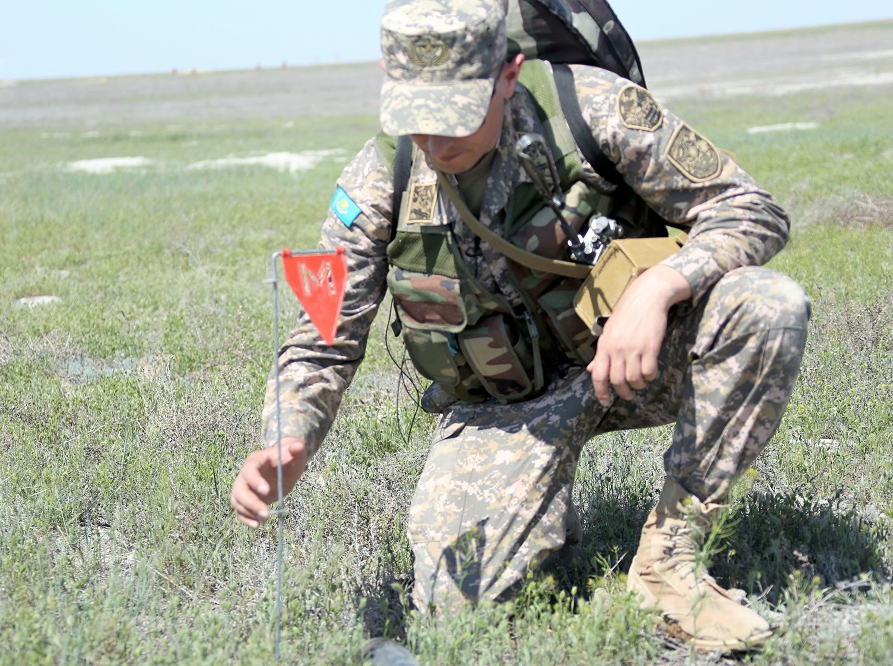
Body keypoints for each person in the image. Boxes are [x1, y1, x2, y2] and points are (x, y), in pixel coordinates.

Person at [231, 0, 809, 652]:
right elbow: (321, 340)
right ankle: (543, 532)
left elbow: (751, 210)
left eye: (456, 115)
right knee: (462, 614)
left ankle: (667, 564)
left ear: (508, 73)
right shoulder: (378, 179)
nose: (436, 142)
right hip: (502, 405)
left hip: (626, 361)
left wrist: (658, 288)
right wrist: (289, 437)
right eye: (415, 118)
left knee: (765, 306)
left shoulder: (591, 111)